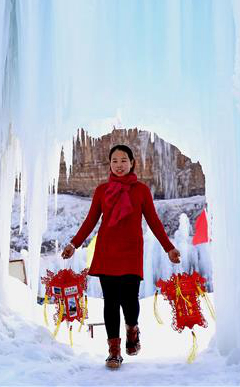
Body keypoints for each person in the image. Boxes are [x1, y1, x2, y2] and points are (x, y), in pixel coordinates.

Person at [61, 144, 180, 369]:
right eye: (114, 161)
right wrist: (74, 244)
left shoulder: (142, 190)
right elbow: (91, 220)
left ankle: (132, 329)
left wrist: (169, 248)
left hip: (131, 251)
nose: (119, 165)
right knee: (111, 302)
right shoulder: (102, 190)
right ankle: (113, 351)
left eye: (123, 160)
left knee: (130, 299)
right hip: (107, 251)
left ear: (132, 162)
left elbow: (153, 221)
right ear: (110, 164)